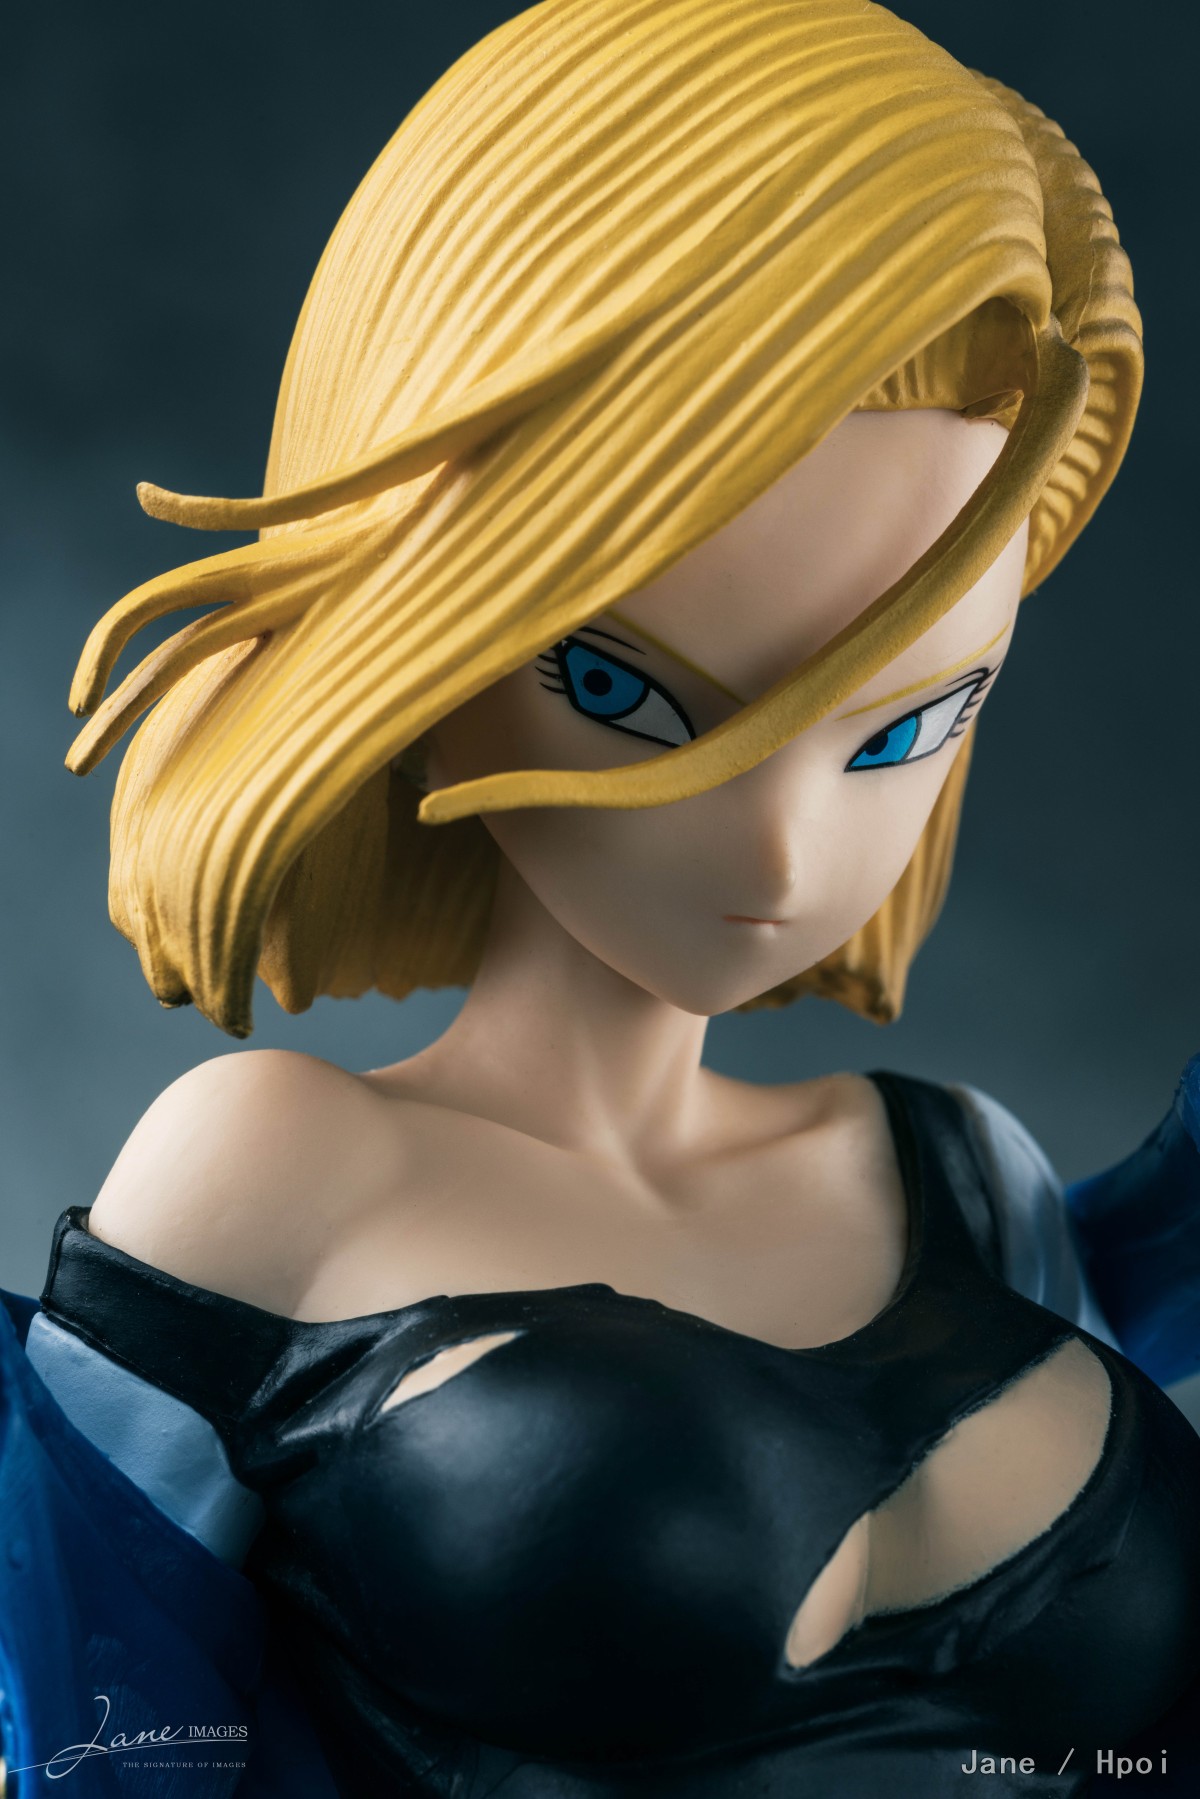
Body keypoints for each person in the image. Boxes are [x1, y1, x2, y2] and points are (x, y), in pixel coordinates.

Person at [2, 1, 1198, 1793]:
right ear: (428, 630)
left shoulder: (972, 1180)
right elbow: (101, 1737)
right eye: (626, 690)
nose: (779, 854)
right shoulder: (275, 1172)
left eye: (904, 725)